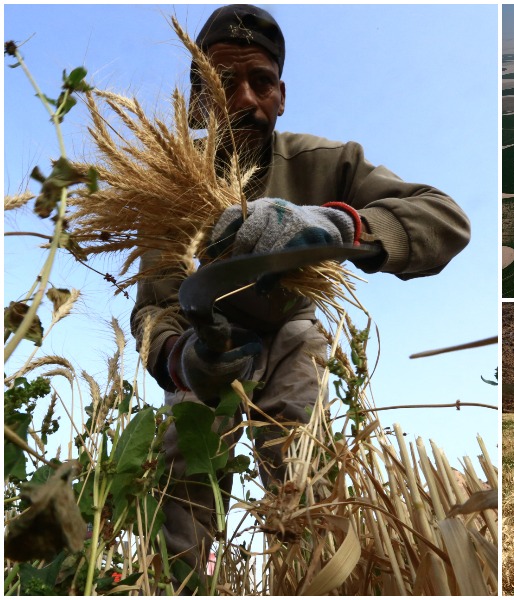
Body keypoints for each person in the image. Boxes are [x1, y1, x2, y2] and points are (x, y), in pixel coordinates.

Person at [128, 4, 471, 590]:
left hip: (291, 340)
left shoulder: (327, 162)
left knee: (303, 488)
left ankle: (312, 580)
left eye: (260, 82)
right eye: (224, 84)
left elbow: (445, 219)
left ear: (281, 94)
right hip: (206, 357)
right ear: (199, 104)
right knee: (180, 500)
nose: (244, 99)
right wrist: (181, 358)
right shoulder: (163, 188)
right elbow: (151, 310)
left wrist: (340, 227)